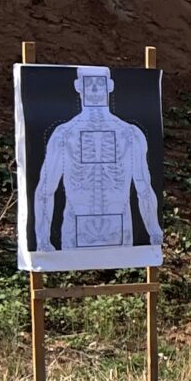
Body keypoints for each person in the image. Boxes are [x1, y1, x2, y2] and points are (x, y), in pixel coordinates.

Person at [32, 65, 159, 254]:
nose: (93, 89)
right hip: (75, 231)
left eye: (99, 83)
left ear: (110, 85)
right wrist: (42, 240)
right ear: (78, 86)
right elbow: (45, 189)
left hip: (120, 231)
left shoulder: (130, 134)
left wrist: (155, 232)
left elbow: (144, 188)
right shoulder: (64, 134)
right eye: (88, 83)